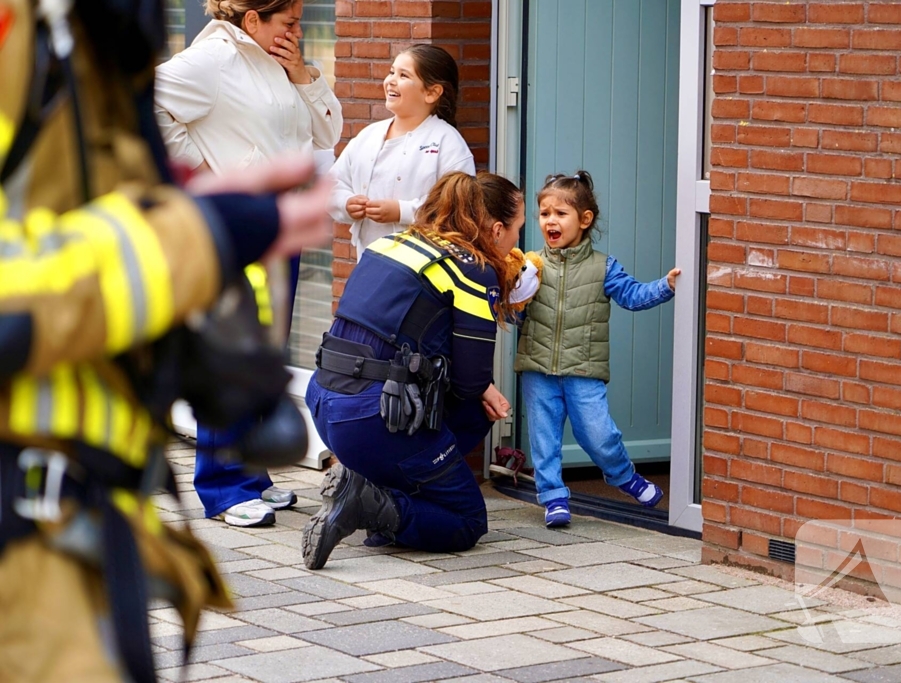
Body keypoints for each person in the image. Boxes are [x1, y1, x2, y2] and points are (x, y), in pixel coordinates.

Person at [0, 1, 332, 681]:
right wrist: (196, 230)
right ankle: (225, 477)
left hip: (75, 527)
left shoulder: (79, 28)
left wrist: (186, 198)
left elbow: (63, 217)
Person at [153, 0, 343, 528]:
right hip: (238, 227)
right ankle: (223, 487)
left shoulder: (278, 61)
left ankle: (252, 474)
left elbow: (328, 133)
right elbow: (144, 106)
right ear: (252, 19)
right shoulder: (211, 61)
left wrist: (302, 74)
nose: (298, 31)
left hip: (278, 228)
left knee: (264, 352)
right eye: (289, 21)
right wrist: (207, 173)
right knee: (234, 351)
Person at [301, 171, 525, 569]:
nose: (517, 242)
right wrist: (483, 385)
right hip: (371, 418)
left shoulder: (392, 241)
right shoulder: (473, 268)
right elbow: (470, 381)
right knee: (466, 521)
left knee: (474, 404)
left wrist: (479, 387)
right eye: (518, 229)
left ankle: (374, 491)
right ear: (495, 230)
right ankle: (370, 505)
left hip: (324, 403)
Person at [514, 171, 681, 528]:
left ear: (584, 220)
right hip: (538, 369)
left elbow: (633, 296)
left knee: (599, 435)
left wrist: (666, 286)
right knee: (543, 440)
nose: (550, 221)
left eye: (560, 213)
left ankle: (624, 476)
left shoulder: (603, 266)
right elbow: (515, 312)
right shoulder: (530, 265)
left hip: (583, 371)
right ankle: (554, 498)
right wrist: (511, 296)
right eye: (544, 213)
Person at [327, 43, 476, 259]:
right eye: (391, 72)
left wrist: (401, 211)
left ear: (432, 93)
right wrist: (346, 203)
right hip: (369, 262)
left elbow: (460, 207)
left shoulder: (449, 142)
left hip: (424, 270)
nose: (391, 81)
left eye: (403, 75)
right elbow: (332, 185)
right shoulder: (368, 135)